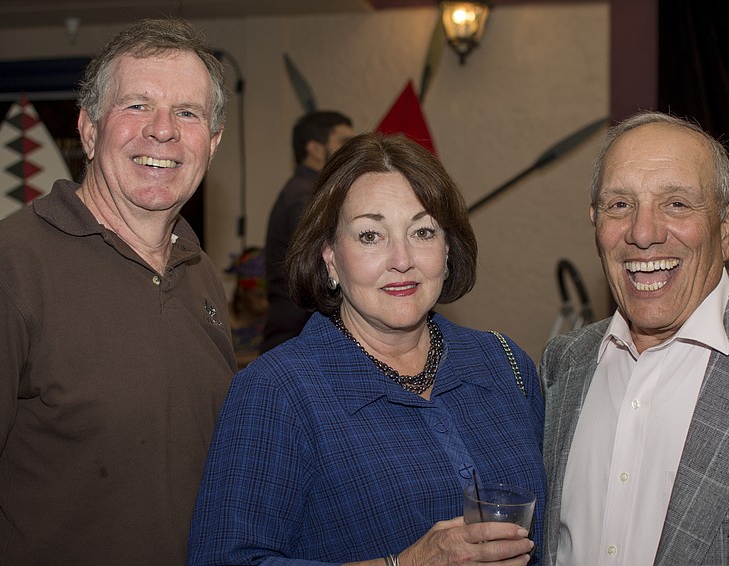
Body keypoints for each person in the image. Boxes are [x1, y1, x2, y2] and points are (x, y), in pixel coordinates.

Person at [188, 132, 546, 565]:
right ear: (330, 257)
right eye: (370, 236)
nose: (402, 258)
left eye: (423, 231)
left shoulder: (504, 364)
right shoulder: (277, 393)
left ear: (447, 249)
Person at [0, 18, 237, 565]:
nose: (163, 131)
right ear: (89, 128)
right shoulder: (4, 269)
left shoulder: (201, 275)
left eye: (187, 113)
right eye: (138, 105)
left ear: (211, 144)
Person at [540, 110, 729, 565]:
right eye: (620, 205)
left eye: (676, 203)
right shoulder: (563, 364)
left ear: (728, 228)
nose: (642, 233)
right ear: (595, 223)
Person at [261, 110, 354, 352]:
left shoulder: (314, 193)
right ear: (314, 149)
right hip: (298, 337)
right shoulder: (306, 198)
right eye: (343, 142)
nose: (351, 150)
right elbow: (321, 272)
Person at [225, 246, 269, 368]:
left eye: (269, 296)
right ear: (242, 290)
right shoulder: (220, 320)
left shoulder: (273, 324)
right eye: (258, 295)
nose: (265, 302)